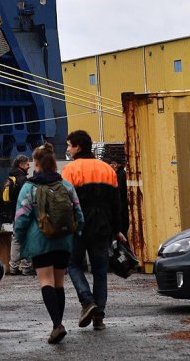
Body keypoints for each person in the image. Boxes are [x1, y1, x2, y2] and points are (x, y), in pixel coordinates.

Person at [14, 144, 85, 344]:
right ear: (54, 163)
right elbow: (78, 213)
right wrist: (76, 233)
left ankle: (56, 325)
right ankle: (59, 322)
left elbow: (21, 217)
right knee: (59, 283)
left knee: (46, 282)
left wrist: (19, 238)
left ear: (36, 163)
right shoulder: (66, 185)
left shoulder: (29, 188)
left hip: (41, 240)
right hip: (63, 241)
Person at [62, 130, 127, 332]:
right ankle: (99, 317)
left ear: (78, 147)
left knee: (73, 265)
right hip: (103, 228)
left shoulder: (70, 170)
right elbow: (117, 203)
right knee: (100, 271)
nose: (67, 149)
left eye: (69, 145)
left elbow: (64, 203)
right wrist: (118, 229)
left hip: (78, 227)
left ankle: (87, 301)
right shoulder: (107, 170)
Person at [3, 154, 32, 275]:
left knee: (16, 238)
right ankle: (26, 266)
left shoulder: (10, 179)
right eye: (27, 164)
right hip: (23, 212)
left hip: (13, 213)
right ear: (21, 165)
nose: (29, 165)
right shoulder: (23, 180)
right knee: (26, 238)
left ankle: (13, 266)